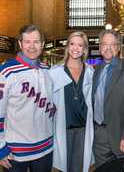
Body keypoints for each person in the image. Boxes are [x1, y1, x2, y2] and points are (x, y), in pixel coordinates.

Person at [0, 24, 56, 172]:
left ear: (42, 44)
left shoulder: (47, 70)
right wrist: (1, 148)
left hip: (45, 149)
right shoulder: (6, 71)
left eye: (36, 42)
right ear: (20, 44)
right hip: (16, 152)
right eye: (27, 42)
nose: (32, 46)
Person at [92, 29, 124, 168]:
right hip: (99, 135)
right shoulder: (96, 69)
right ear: (99, 47)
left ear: (119, 48)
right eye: (104, 44)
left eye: (113, 44)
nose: (108, 48)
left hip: (120, 135)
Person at [48, 31, 94, 172]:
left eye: (80, 45)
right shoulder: (55, 71)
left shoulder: (90, 71)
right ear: (67, 46)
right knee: (61, 167)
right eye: (72, 44)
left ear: (85, 49)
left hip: (83, 129)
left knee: (79, 167)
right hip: (62, 128)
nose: (76, 48)